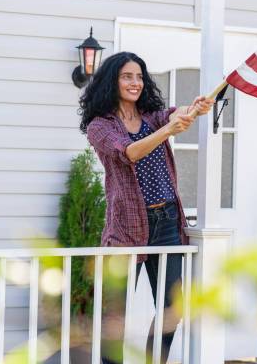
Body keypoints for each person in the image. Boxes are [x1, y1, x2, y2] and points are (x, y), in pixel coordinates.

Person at [79, 51, 214, 363]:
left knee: (172, 309)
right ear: (111, 81)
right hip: (126, 228)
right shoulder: (100, 127)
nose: (135, 82)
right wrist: (168, 131)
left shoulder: (151, 116)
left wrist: (194, 109)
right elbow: (129, 152)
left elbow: (173, 114)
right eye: (127, 76)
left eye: (139, 76)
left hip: (166, 222)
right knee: (116, 319)